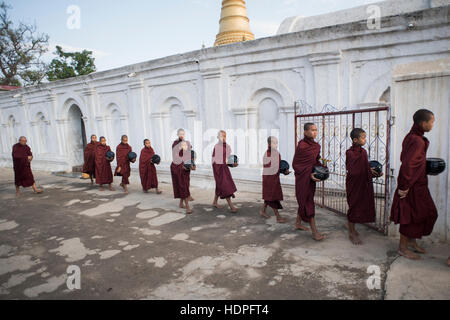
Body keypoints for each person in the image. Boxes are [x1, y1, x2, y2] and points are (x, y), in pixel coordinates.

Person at [390, 109, 438, 260]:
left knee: (426, 213)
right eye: (431, 122)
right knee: (410, 216)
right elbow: (408, 165)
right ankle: (402, 248)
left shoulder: (413, 137)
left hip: (418, 184)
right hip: (412, 186)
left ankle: (411, 241)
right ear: (423, 123)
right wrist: (405, 186)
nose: (432, 125)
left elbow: (411, 160)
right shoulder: (417, 140)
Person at [345, 128, 382, 245]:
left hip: (363, 183)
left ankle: (353, 229)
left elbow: (364, 167)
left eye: (365, 137)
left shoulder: (364, 152)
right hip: (354, 184)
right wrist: (367, 171)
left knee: (362, 205)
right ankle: (351, 232)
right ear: (355, 140)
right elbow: (353, 170)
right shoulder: (349, 153)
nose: (365, 140)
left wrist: (373, 173)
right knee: (354, 206)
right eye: (363, 137)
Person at [292, 123, 324, 241]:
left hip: (311, 179)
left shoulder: (316, 146)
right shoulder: (302, 146)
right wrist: (308, 173)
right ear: (305, 132)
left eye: (316, 130)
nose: (314, 132)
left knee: (305, 200)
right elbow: (296, 164)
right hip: (303, 178)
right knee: (307, 202)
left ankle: (297, 223)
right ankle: (314, 232)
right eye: (312, 130)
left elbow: (315, 161)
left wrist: (322, 169)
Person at [260, 136, 287, 223]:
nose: (276, 145)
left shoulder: (276, 153)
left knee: (269, 196)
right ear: (269, 144)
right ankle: (278, 216)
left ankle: (262, 211)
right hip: (269, 178)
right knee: (273, 197)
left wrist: (284, 171)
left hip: (274, 177)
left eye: (276, 143)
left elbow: (278, 166)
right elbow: (270, 167)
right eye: (274, 143)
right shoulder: (267, 154)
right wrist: (281, 170)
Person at [212, 130, 238, 212]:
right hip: (218, 169)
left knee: (220, 185)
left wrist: (232, 164)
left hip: (224, 168)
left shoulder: (227, 146)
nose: (223, 138)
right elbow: (215, 161)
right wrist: (219, 170)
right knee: (226, 187)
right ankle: (231, 206)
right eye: (221, 136)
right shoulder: (217, 147)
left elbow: (227, 159)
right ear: (217, 137)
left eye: (224, 136)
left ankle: (215, 202)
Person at [170, 129, 195, 214]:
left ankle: (181, 203)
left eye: (183, 134)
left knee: (185, 184)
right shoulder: (175, 144)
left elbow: (190, 155)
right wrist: (182, 166)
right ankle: (187, 206)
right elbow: (175, 157)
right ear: (177, 134)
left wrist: (192, 165)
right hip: (177, 167)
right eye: (180, 134)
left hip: (185, 168)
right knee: (182, 186)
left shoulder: (186, 143)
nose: (181, 135)